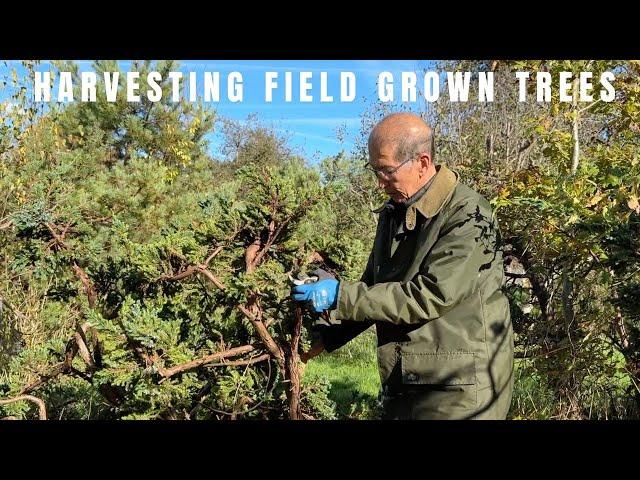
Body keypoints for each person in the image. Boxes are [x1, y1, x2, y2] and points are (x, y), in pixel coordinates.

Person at [292, 112, 514, 420]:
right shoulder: (394, 211)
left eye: (386, 172)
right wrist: (316, 344)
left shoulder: (469, 215)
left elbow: (429, 295)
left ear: (422, 162)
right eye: (374, 171)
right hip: (408, 380)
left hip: (460, 388)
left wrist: (341, 296)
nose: (380, 184)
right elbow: (373, 291)